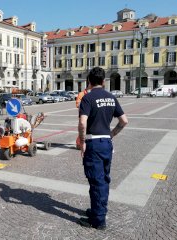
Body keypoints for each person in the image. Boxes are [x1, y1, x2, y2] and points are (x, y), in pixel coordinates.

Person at [77, 67, 128, 230]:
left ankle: (98, 220)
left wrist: (82, 141)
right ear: (104, 81)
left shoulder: (88, 98)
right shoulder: (111, 97)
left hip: (94, 143)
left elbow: (82, 123)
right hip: (106, 143)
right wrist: (111, 134)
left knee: (96, 181)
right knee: (103, 179)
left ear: (89, 82)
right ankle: (97, 211)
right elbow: (124, 121)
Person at [75, 81, 91, 150]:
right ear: (88, 86)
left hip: (90, 115)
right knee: (82, 129)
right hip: (82, 115)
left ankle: (86, 143)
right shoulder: (81, 94)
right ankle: (78, 143)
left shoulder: (92, 94)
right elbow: (77, 104)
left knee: (89, 130)